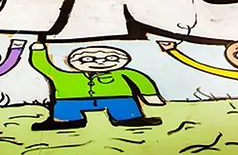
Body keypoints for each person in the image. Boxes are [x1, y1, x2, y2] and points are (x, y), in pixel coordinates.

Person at [29, 42, 164, 130]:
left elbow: (142, 82)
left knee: (125, 109)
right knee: (65, 110)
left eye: (110, 58)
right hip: (71, 101)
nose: (100, 62)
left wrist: (151, 97)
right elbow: (44, 67)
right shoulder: (65, 76)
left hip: (118, 98)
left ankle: (130, 118)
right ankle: (67, 121)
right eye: (88, 59)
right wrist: (38, 50)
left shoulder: (123, 73)